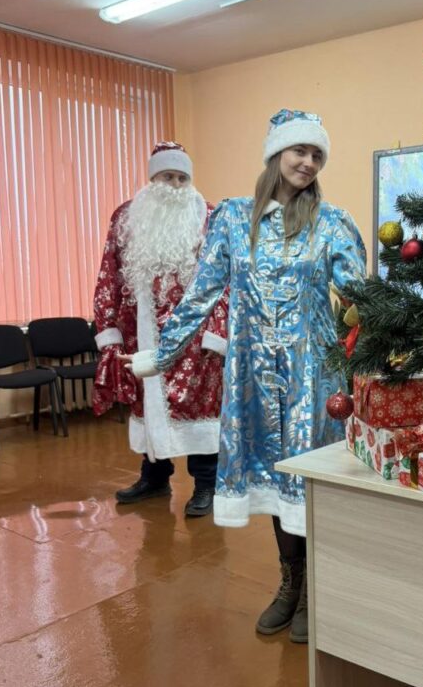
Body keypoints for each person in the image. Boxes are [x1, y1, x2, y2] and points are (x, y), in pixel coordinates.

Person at [125, 110, 366, 643]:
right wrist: (161, 356)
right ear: (276, 153)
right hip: (253, 377)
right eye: (300, 150)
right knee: (277, 483)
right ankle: (290, 583)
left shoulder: (332, 222)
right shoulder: (233, 219)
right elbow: (203, 293)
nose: (308, 162)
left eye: (317, 154)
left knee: (309, 482)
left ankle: (318, 590)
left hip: (313, 379)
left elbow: (360, 297)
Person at [92, 141, 228, 518]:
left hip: (196, 340)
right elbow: (109, 275)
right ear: (153, 178)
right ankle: (154, 478)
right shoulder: (127, 217)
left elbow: (226, 280)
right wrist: (109, 331)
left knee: (199, 411)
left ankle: (206, 484)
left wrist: (218, 331)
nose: (175, 185)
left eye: (182, 177)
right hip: (143, 336)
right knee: (148, 405)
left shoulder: (210, 216)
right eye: (168, 176)